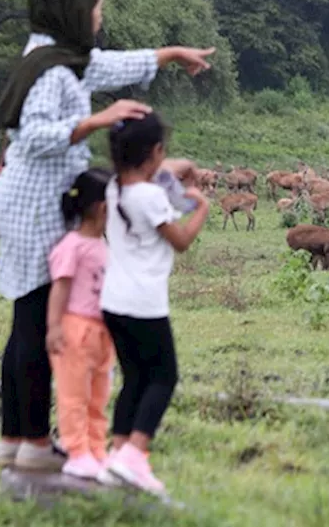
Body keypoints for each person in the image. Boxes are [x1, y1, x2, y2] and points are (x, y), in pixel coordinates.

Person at [0, 0, 213, 471]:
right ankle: (34, 445)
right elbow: (34, 136)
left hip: (39, 198)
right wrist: (97, 120)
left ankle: (15, 439)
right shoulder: (50, 70)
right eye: (94, 6)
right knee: (35, 322)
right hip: (33, 202)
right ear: (73, 9)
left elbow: (108, 65)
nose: (99, 14)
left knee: (27, 319)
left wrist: (171, 55)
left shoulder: (59, 57)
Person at [99, 112, 209, 495]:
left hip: (112, 301)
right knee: (163, 377)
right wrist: (202, 209)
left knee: (134, 378)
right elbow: (179, 241)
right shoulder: (149, 197)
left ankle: (117, 453)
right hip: (144, 302)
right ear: (155, 152)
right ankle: (136, 454)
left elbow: (165, 168)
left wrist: (179, 165)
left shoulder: (113, 188)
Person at [46, 168, 114, 480]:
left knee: (99, 394)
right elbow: (60, 288)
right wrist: (54, 327)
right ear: (103, 208)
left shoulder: (104, 246)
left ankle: (96, 448)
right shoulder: (72, 246)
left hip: (103, 334)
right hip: (76, 330)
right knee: (74, 394)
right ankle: (75, 450)